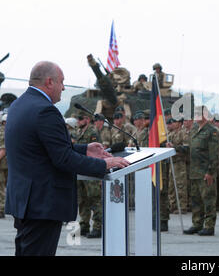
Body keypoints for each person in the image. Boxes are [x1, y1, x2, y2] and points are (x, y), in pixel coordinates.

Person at [4, 61, 129, 256]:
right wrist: (104, 164)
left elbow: (43, 149)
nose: (63, 87)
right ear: (49, 82)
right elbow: (62, 158)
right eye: (62, 82)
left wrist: (85, 149)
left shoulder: (19, 105)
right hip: (42, 203)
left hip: (26, 200)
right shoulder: (45, 110)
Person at [183, 106, 219, 236]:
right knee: (196, 200)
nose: (196, 115)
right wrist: (175, 148)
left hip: (205, 172)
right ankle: (197, 224)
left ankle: (209, 226)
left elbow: (214, 154)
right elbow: (191, 149)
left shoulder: (211, 131)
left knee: (208, 199)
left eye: (199, 113)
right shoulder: (194, 130)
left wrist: (210, 172)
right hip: (194, 171)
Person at [75, 111, 103, 238]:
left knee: (94, 198)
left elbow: (98, 152)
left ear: (87, 119)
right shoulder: (79, 132)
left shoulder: (92, 132)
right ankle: (84, 225)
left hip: (91, 170)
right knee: (82, 199)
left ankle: (98, 227)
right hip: (80, 169)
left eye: (80, 118)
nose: (78, 121)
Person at [0, 114, 8, 218]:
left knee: (1, 186)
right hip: (8, 163)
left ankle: (1, 208)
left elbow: (3, 149)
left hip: (2, 163)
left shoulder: (2, 132)